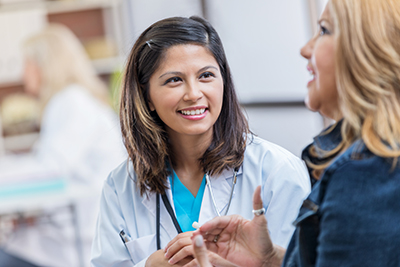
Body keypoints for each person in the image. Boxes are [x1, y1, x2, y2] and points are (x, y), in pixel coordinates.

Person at [191, 0, 400, 266]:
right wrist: (272, 260)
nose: (305, 49)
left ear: (372, 48)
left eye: (324, 31)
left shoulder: (366, 173)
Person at [90, 16, 311, 267]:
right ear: (147, 97)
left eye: (206, 75)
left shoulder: (277, 172)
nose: (194, 94)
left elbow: (303, 262)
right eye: (174, 80)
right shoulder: (120, 187)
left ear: (223, 82)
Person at [0, 24, 126, 267]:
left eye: (27, 64)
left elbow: (51, 170)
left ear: (44, 65)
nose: (23, 73)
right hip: (72, 228)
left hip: (79, 238)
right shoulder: (72, 100)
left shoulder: (71, 102)